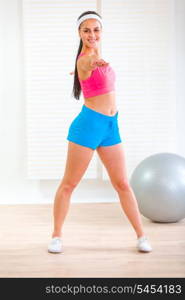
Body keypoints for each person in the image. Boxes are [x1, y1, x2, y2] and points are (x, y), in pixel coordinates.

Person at [48, 11, 152, 254]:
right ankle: (56, 236)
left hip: (110, 126)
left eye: (96, 29)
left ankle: (141, 236)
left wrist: (97, 62)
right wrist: (91, 64)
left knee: (123, 184)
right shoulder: (84, 59)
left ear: (101, 31)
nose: (92, 34)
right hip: (88, 126)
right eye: (86, 30)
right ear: (79, 33)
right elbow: (85, 65)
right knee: (69, 184)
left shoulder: (98, 55)